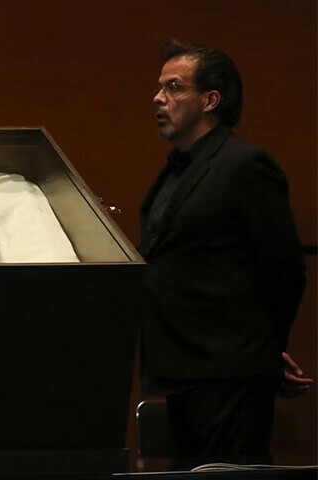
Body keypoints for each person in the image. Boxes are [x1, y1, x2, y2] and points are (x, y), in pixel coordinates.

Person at [139, 40, 312, 465]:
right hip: (183, 369)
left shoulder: (244, 165)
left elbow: (284, 270)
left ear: (210, 100)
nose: (158, 98)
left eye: (174, 87)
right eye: (160, 87)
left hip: (230, 371)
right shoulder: (176, 169)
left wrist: (266, 350)